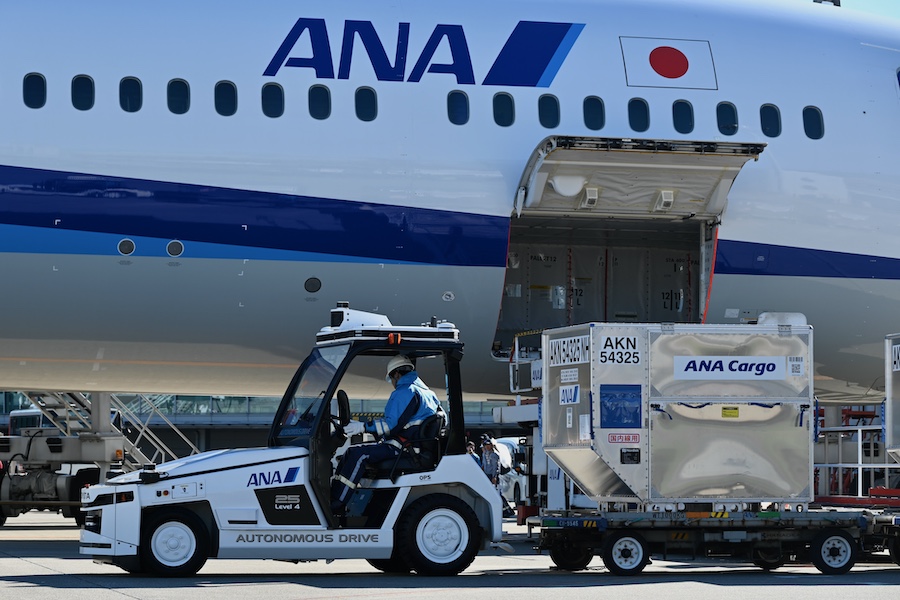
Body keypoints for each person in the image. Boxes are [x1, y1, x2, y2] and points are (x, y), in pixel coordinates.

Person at [330, 355, 442, 514]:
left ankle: (337, 503)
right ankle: (336, 496)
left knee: (358, 455)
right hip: (411, 446)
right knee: (351, 452)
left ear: (396, 374)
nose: (392, 383)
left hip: (403, 448)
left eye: (391, 379)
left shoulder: (406, 391)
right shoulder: (428, 393)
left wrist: (363, 427)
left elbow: (392, 425)